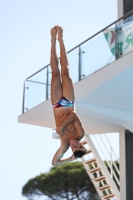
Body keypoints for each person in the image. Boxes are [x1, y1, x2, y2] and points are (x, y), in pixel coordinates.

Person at [50, 26, 86, 166]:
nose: (73, 144)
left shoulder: (65, 144)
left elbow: (54, 163)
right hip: (68, 103)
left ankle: (52, 41)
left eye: (73, 147)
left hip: (57, 106)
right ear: (81, 143)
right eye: (77, 145)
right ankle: (61, 40)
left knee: (54, 73)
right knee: (65, 71)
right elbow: (73, 116)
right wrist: (61, 127)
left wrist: (70, 159)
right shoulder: (80, 133)